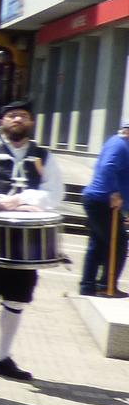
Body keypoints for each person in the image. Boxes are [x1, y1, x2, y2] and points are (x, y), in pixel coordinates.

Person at [0, 97, 64, 379]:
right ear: (1, 122)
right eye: (12, 116)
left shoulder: (44, 156)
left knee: (18, 295)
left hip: (27, 240)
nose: (18, 120)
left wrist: (29, 200)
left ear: (31, 123)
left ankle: (3, 358)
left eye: (23, 116)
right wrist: (0, 203)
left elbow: (55, 192)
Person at [79, 121, 129, 296]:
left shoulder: (119, 144)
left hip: (100, 201)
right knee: (119, 243)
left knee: (98, 245)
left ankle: (88, 286)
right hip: (103, 202)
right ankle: (106, 285)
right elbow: (108, 167)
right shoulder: (120, 145)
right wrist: (114, 192)